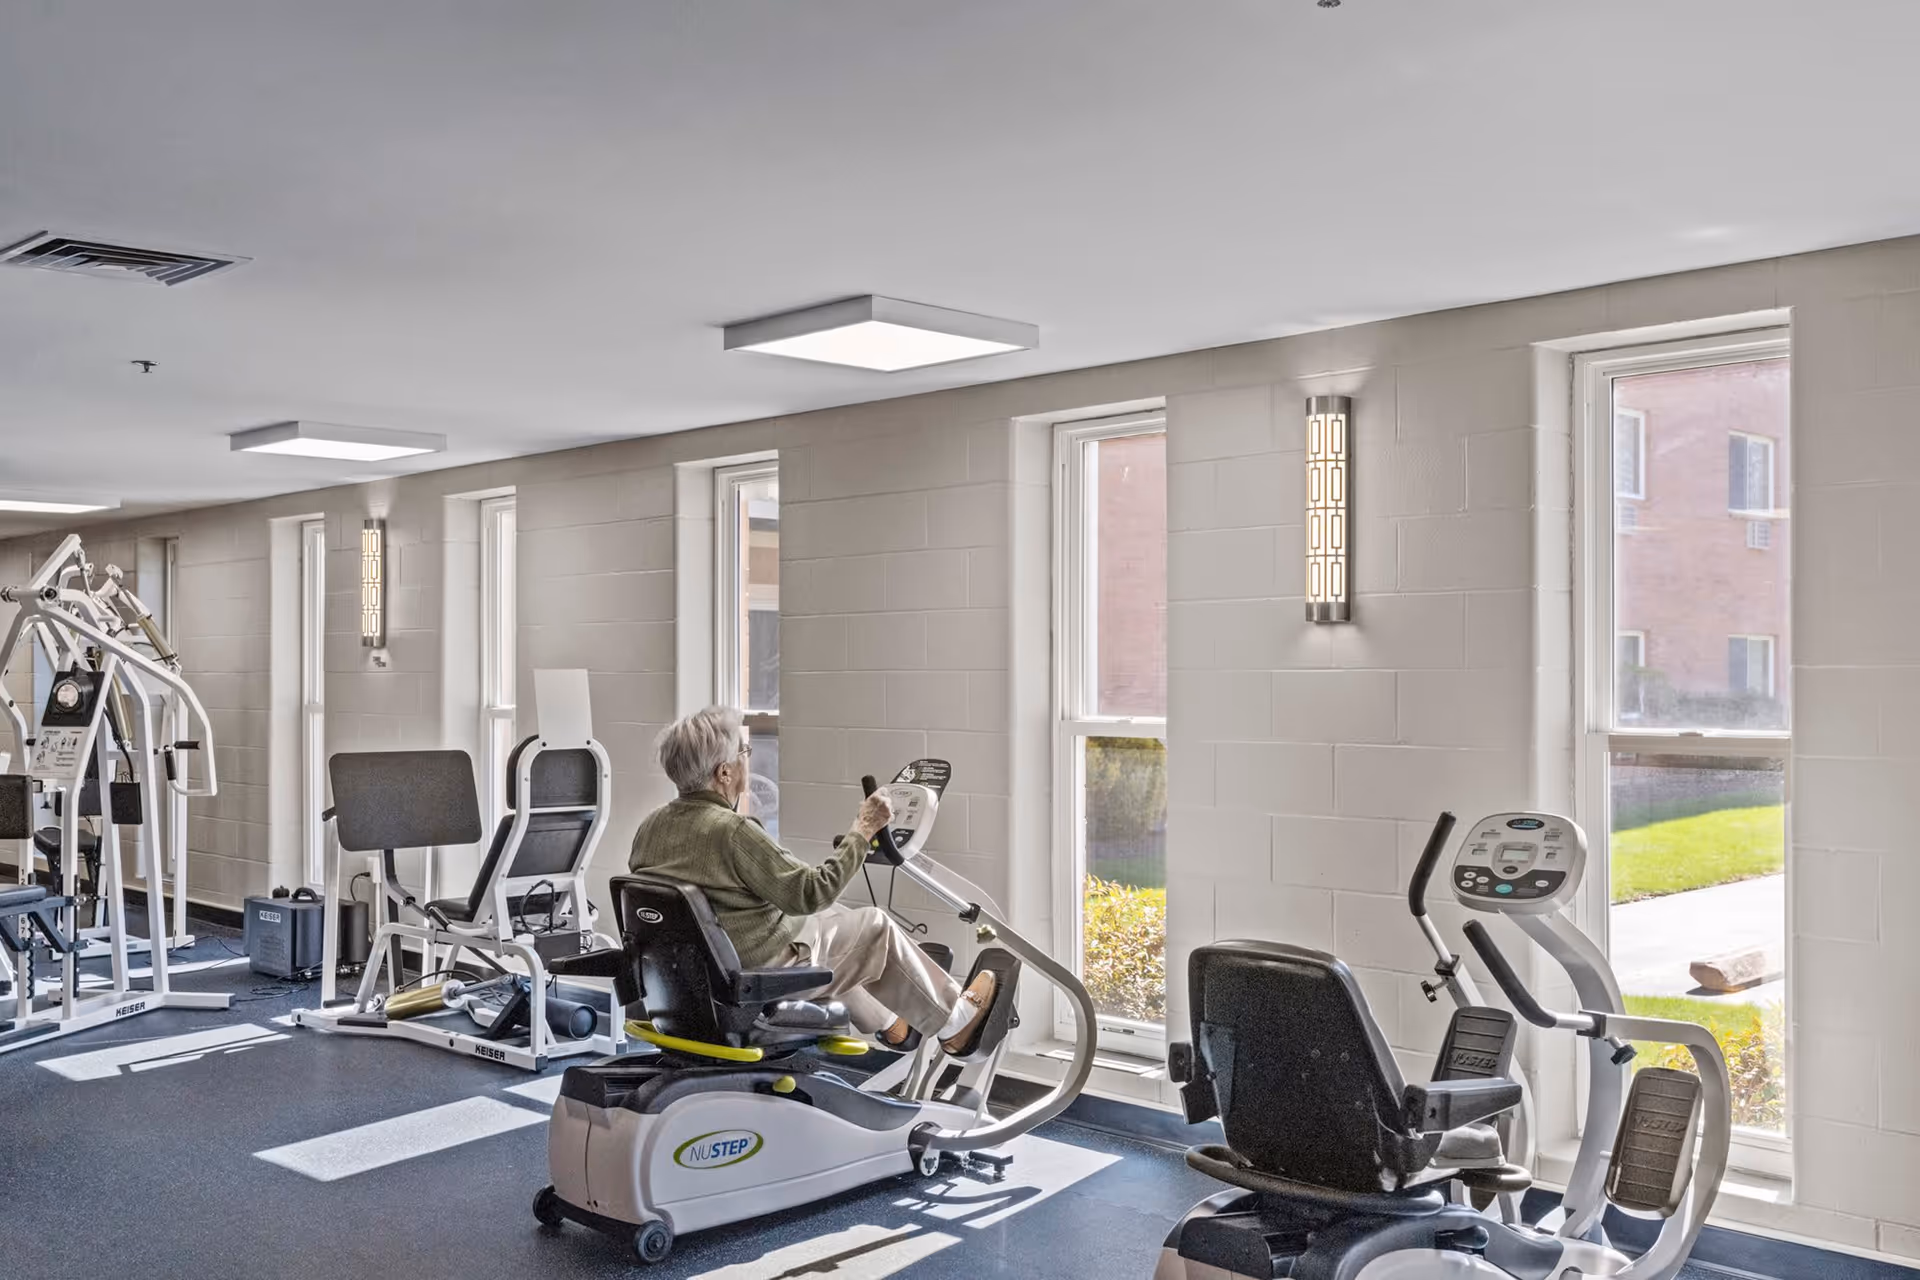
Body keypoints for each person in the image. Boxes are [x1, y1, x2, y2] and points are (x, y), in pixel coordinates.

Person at [630, 705, 996, 1053]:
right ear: (723, 773)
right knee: (874, 927)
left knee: (834, 919)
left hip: (695, 975)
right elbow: (812, 891)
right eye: (743, 751)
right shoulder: (731, 831)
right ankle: (955, 1024)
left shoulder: (650, 827)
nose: (747, 757)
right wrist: (862, 829)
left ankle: (892, 1023)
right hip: (756, 973)